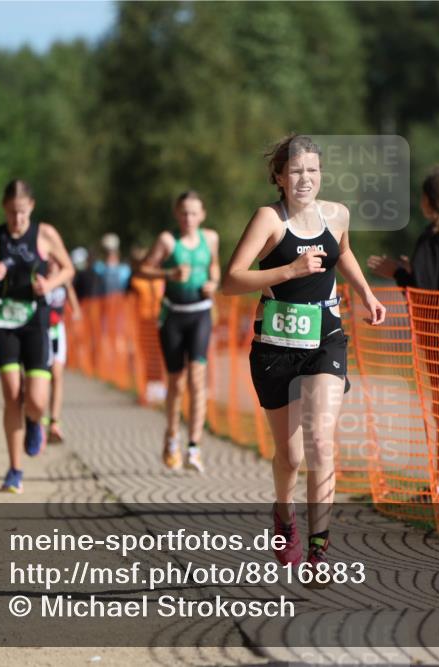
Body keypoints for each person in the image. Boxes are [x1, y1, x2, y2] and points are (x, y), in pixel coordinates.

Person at [222, 135, 386, 583]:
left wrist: (366, 292)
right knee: (290, 456)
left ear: (321, 173)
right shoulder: (269, 220)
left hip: (326, 338)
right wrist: (289, 271)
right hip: (276, 346)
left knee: (319, 442)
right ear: (278, 177)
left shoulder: (336, 215)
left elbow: (344, 252)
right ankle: (284, 513)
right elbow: (231, 280)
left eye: (311, 170)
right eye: (295, 171)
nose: (304, 179)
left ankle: (319, 550)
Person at [368, 167, 439, 503]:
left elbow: (423, 290)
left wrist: (398, 272)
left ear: (427, 201)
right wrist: (412, 270)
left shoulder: (432, 238)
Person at [0, 179, 75, 493]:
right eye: (13, 213)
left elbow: (68, 269)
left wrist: (51, 284)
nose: (17, 220)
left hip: (36, 321)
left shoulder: (45, 234)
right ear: (4, 209)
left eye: (23, 213)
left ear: (32, 208)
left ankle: (35, 422)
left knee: (37, 400)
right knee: (13, 395)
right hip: (4, 323)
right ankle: (15, 470)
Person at [138, 191, 220, 472]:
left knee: (198, 380)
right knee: (176, 381)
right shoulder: (167, 240)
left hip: (200, 313)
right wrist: (168, 275)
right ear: (177, 213)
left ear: (203, 215)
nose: (189, 218)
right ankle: (172, 435)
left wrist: (213, 282)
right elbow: (144, 270)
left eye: (194, 213)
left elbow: (215, 267)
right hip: (173, 315)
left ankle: (194, 446)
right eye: (184, 213)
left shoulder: (210, 238)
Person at [44, 254, 82, 444]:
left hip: (57, 331)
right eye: (49, 259)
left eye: (55, 259)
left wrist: (67, 286)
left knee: (57, 375)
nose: (52, 263)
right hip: (39, 332)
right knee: (41, 378)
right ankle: (36, 419)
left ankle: (54, 423)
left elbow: (76, 310)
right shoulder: (39, 278)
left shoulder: (63, 281)